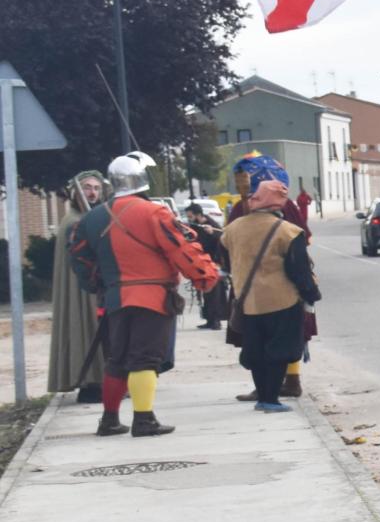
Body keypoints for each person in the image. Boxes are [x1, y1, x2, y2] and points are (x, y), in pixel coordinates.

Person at [71, 151, 221, 437]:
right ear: (142, 179)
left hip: (115, 299)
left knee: (117, 359)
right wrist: (205, 276)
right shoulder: (155, 213)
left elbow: (79, 258)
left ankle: (110, 419)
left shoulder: (92, 218)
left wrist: (98, 285)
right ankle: (144, 419)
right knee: (144, 360)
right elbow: (181, 247)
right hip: (152, 298)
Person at [223, 180, 321, 413]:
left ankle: (262, 396)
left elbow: (224, 257)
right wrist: (311, 294)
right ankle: (271, 399)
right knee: (279, 350)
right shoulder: (288, 231)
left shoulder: (233, 228)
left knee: (255, 349)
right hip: (282, 301)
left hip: (247, 300)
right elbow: (299, 270)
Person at [48, 171, 110, 404]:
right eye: (87, 187)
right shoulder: (76, 220)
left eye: (96, 188)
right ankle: (92, 383)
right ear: (76, 191)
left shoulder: (83, 217)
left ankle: (98, 382)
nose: (92, 192)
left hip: (87, 284)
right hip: (82, 289)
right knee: (88, 329)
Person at [184, 204, 230, 330]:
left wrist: (212, 233)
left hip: (214, 263)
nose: (189, 219)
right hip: (202, 263)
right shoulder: (195, 226)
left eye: (191, 216)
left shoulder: (211, 225)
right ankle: (209, 319)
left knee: (215, 293)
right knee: (206, 293)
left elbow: (222, 238)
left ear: (198, 214)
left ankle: (216, 320)